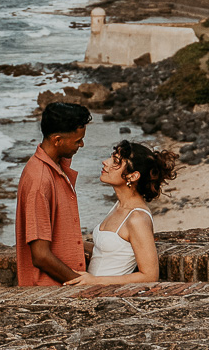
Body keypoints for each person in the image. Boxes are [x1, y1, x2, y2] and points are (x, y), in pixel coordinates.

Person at [69, 137, 178, 288]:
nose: (105, 162)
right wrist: (72, 242)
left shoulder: (137, 218)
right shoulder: (118, 206)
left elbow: (150, 275)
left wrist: (94, 280)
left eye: (116, 161)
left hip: (107, 297)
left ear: (133, 176)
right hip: (91, 292)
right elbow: (109, 252)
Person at [15, 101, 92, 287]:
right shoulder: (40, 180)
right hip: (48, 291)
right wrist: (80, 282)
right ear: (57, 140)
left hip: (61, 290)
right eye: (77, 140)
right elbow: (40, 255)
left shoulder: (56, 168)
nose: (81, 144)